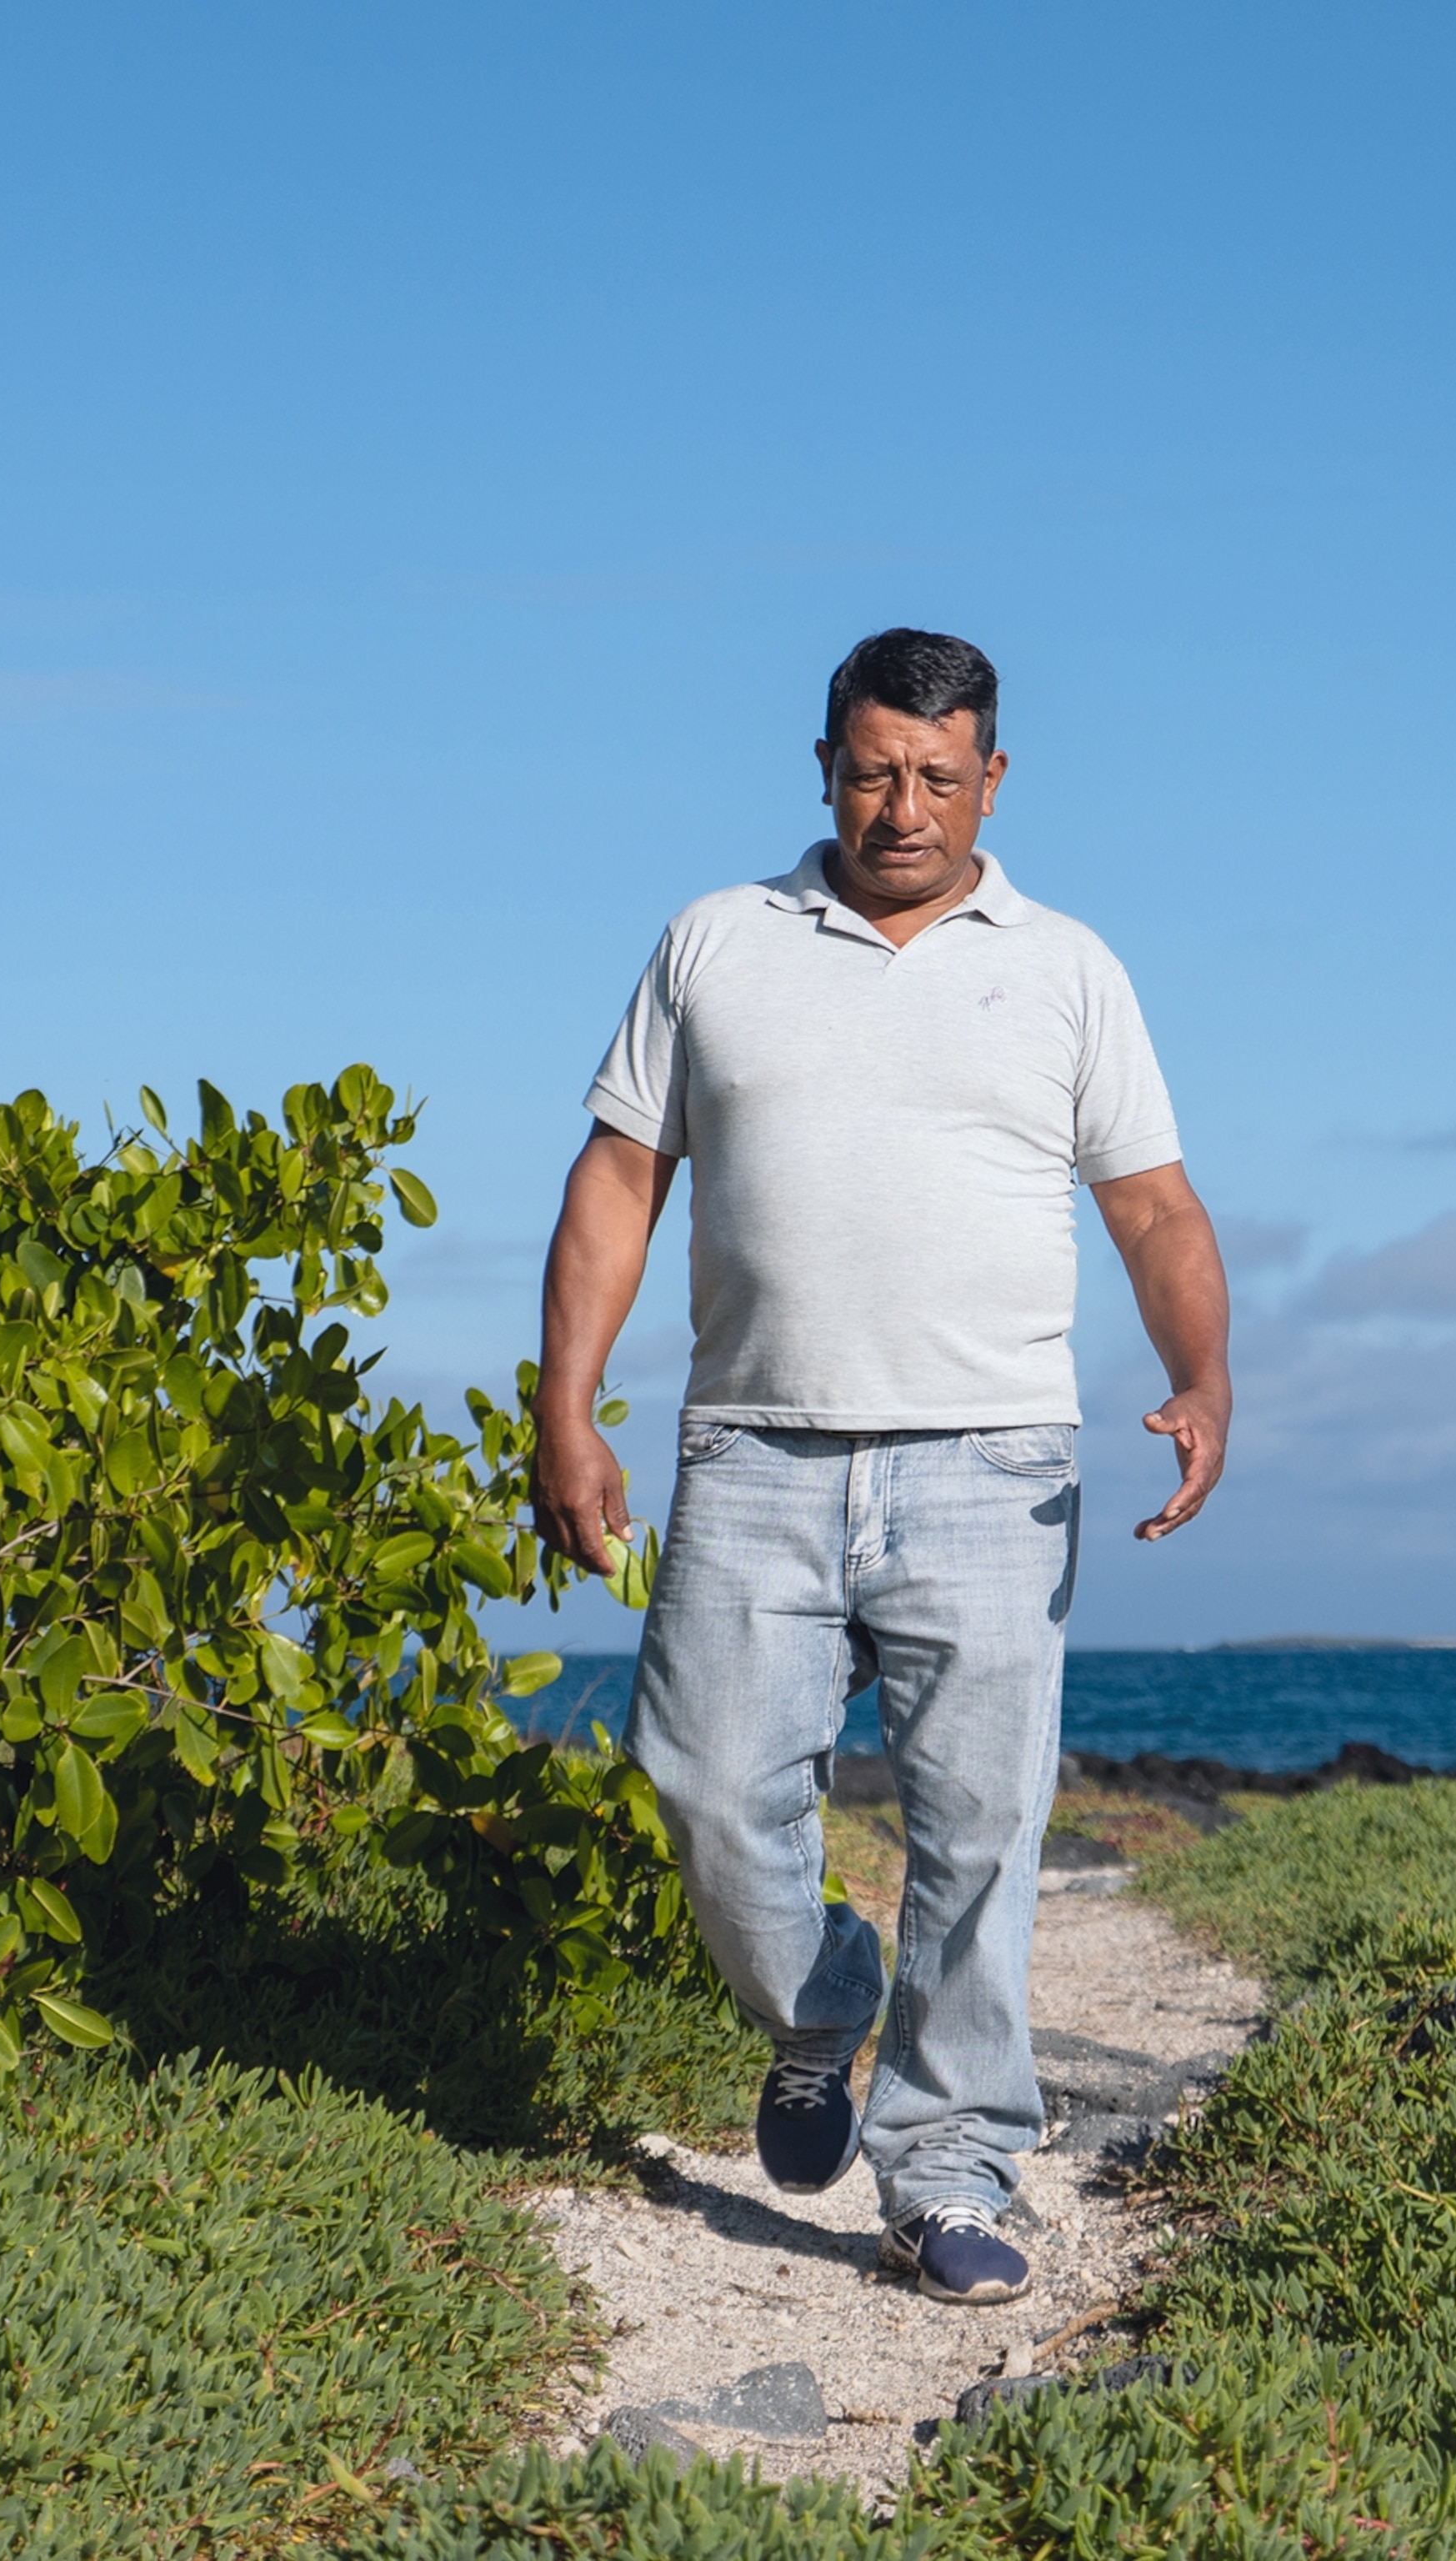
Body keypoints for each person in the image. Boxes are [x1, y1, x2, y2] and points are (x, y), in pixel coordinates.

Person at [532, 628, 1230, 2307]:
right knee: (700, 1788)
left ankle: (948, 2169)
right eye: (869, 770)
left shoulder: (1066, 967)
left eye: (935, 773)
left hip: (993, 1460)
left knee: (979, 1832)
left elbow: (1150, 1202)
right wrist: (567, 1403)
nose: (898, 805)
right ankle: (825, 1998)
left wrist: (1203, 1373)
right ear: (825, 767)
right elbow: (619, 1181)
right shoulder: (716, 942)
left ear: (991, 778)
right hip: (752, 1447)